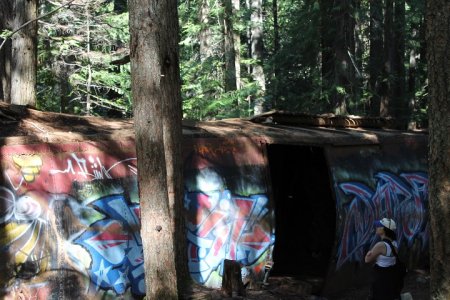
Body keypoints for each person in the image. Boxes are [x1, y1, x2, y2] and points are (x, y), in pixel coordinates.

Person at [365, 218, 401, 300]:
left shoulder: (380, 245)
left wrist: (368, 254)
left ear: (384, 229)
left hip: (381, 279)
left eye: (379, 226)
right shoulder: (394, 243)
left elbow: (367, 260)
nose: (376, 227)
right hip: (391, 277)